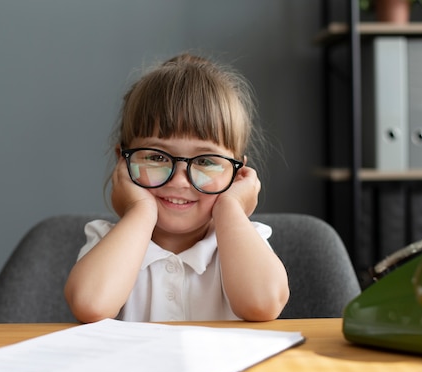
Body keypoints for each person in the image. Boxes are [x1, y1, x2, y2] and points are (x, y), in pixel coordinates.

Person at [64, 53, 289, 323]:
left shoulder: (244, 238)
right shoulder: (108, 240)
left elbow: (262, 304)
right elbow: (91, 305)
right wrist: (141, 211)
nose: (179, 180)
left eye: (206, 161)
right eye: (156, 157)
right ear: (121, 162)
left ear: (237, 173)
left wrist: (230, 208)